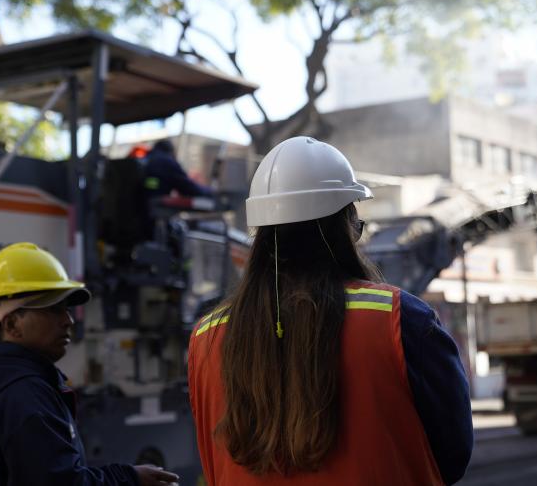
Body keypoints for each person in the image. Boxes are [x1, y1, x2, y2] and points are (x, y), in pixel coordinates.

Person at [187, 137, 473, 485]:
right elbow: (452, 454)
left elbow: (209, 455)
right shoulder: (402, 319)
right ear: (346, 227)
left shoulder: (205, 337)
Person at [0, 242, 180, 486]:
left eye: (67, 309)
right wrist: (130, 479)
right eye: (52, 309)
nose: (68, 320)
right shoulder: (26, 397)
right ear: (11, 324)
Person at [143, 139, 213, 199]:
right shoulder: (166, 161)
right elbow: (187, 187)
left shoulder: (146, 158)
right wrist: (210, 191)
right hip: (152, 207)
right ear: (171, 151)